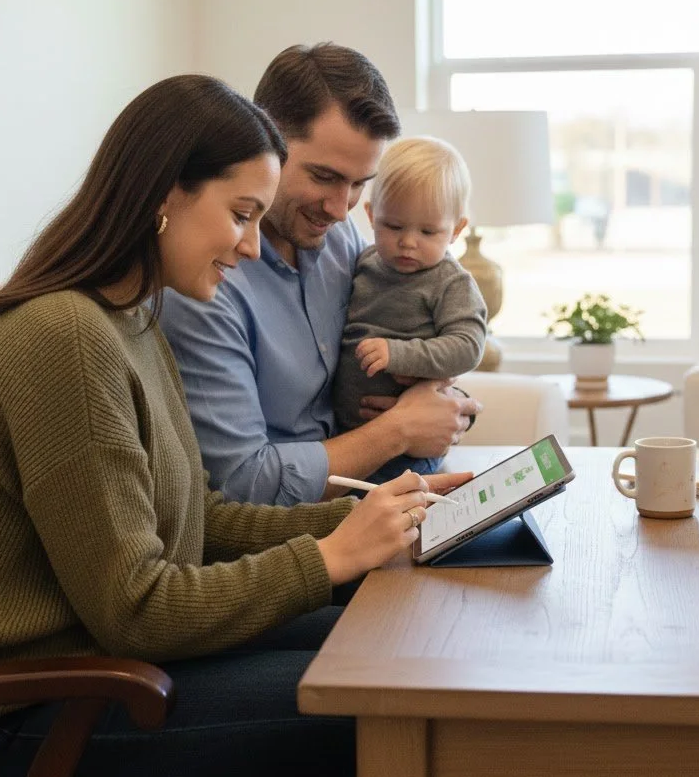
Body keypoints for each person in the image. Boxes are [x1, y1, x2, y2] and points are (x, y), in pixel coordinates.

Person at [0, 75, 470, 777]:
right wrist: (328, 560)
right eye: (240, 215)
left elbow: (201, 522)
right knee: (392, 701)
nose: (253, 246)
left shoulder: (129, 318)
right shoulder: (65, 340)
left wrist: (370, 519)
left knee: (388, 647)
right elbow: (137, 607)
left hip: (75, 667)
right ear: (162, 195)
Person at [160, 43, 482, 507]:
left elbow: (404, 325)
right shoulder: (205, 281)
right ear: (264, 139)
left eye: (358, 184)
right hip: (292, 542)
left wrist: (441, 400)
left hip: (383, 502)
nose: (340, 207)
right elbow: (242, 485)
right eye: (324, 177)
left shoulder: (337, 237)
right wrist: (397, 431)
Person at [333, 136, 488, 484]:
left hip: (409, 455)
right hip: (345, 439)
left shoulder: (449, 282)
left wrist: (399, 354)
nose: (408, 241)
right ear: (371, 215)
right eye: (393, 226)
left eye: (428, 231)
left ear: (456, 231)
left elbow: (468, 345)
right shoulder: (364, 262)